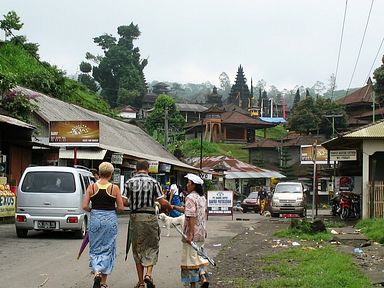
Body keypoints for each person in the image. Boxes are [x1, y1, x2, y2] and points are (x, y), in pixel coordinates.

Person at [124, 159, 172, 288]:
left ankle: (140, 282)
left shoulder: (129, 182)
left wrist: (133, 201)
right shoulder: (154, 182)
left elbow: (123, 202)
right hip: (150, 217)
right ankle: (149, 275)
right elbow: (162, 202)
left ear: (136, 168)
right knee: (152, 246)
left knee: (137, 249)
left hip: (135, 218)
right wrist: (169, 206)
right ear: (148, 168)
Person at [82, 162, 124, 288]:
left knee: (95, 248)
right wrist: (112, 210)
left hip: (95, 219)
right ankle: (104, 282)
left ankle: (96, 272)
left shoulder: (91, 187)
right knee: (108, 247)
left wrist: (93, 211)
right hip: (110, 219)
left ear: (99, 173)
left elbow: (84, 206)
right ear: (111, 174)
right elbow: (121, 208)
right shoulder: (114, 188)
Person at [172, 173, 209, 288]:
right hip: (201, 232)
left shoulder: (190, 198)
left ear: (194, 185)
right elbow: (199, 213)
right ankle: (203, 277)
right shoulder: (202, 198)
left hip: (192, 233)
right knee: (199, 256)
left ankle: (193, 284)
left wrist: (190, 234)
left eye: (189, 183)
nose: (187, 185)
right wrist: (174, 207)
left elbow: (191, 216)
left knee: (190, 260)